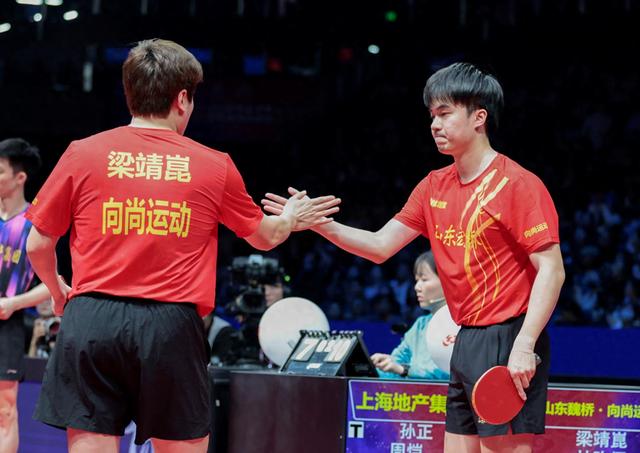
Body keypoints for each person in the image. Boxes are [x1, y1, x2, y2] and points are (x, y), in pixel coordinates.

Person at [24, 39, 340, 453]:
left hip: (91, 319)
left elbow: (38, 244)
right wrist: (291, 217)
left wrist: (56, 291)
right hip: (170, 327)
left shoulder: (81, 153)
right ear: (182, 99)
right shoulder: (214, 165)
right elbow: (266, 237)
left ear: (129, 92)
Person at [262, 62, 565, 452]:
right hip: (465, 338)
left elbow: (551, 269)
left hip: (509, 337)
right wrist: (320, 225)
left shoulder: (517, 184)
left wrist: (525, 344)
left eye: (445, 113)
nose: (435, 124)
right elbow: (379, 245)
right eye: (432, 115)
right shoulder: (433, 186)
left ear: (479, 117)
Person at [0, 138, 51, 453]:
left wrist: (13, 303)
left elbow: (52, 284)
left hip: (8, 325)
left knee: (5, 410)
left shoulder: (35, 224)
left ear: (20, 177)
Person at [371, 251, 450, 380]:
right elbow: (396, 362)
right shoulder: (420, 325)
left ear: (447, 280)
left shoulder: (461, 325)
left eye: (424, 280)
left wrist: (404, 370)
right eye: (417, 280)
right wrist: (375, 368)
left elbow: (451, 374)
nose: (417, 287)